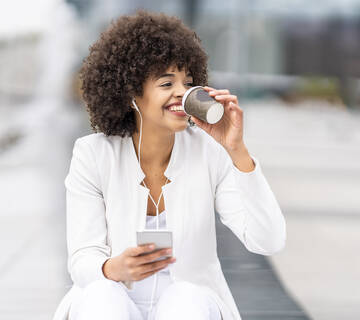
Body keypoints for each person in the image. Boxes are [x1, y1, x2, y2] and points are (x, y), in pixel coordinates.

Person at [53, 9, 286, 320]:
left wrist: (237, 150)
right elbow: (82, 258)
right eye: (166, 84)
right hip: (115, 303)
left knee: (185, 297)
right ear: (131, 93)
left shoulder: (209, 152)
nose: (182, 93)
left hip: (188, 310)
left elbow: (267, 240)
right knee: (101, 293)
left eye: (187, 82)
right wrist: (115, 267)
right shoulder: (93, 154)